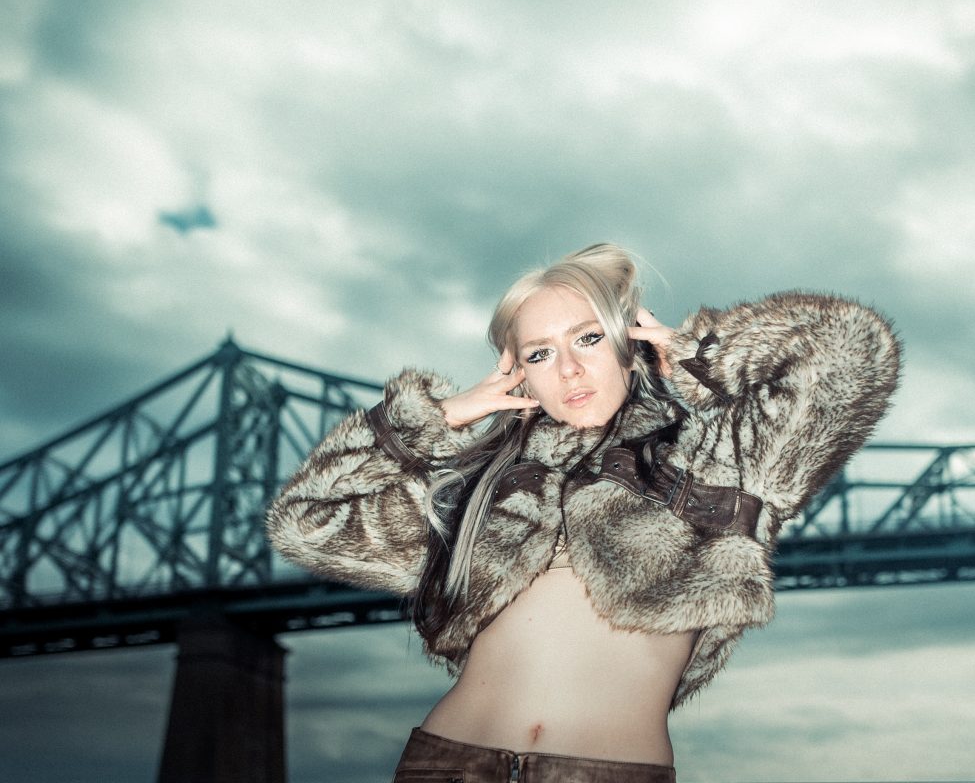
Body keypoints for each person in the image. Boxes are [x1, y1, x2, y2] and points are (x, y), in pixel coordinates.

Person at [267, 243, 900, 782]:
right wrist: (434, 418)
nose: (569, 369)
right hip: (448, 764)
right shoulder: (477, 489)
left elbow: (853, 352)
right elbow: (303, 522)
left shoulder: (722, 461)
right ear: (519, 374)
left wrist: (698, 355)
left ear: (629, 347)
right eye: (539, 353)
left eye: (589, 338)